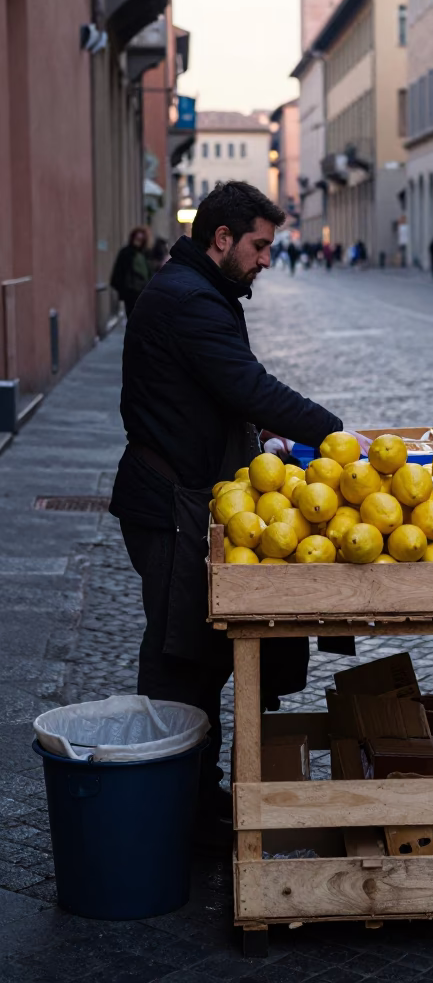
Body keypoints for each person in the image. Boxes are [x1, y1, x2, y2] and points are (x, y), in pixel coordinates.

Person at [109, 182, 342, 836]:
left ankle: (194, 798)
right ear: (222, 239)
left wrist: (261, 438)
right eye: (260, 246)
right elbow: (247, 382)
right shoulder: (189, 300)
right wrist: (336, 434)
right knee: (180, 654)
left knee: (202, 651)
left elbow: (223, 387)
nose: (267, 260)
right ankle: (175, 808)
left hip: (189, 493)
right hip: (170, 503)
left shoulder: (202, 290)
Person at [110, 227, 151, 317]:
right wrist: (123, 290)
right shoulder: (126, 253)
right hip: (131, 292)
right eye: (137, 239)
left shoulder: (146, 254)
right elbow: (118, 272)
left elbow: (150, 272)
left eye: (141, 239)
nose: (138, 241)